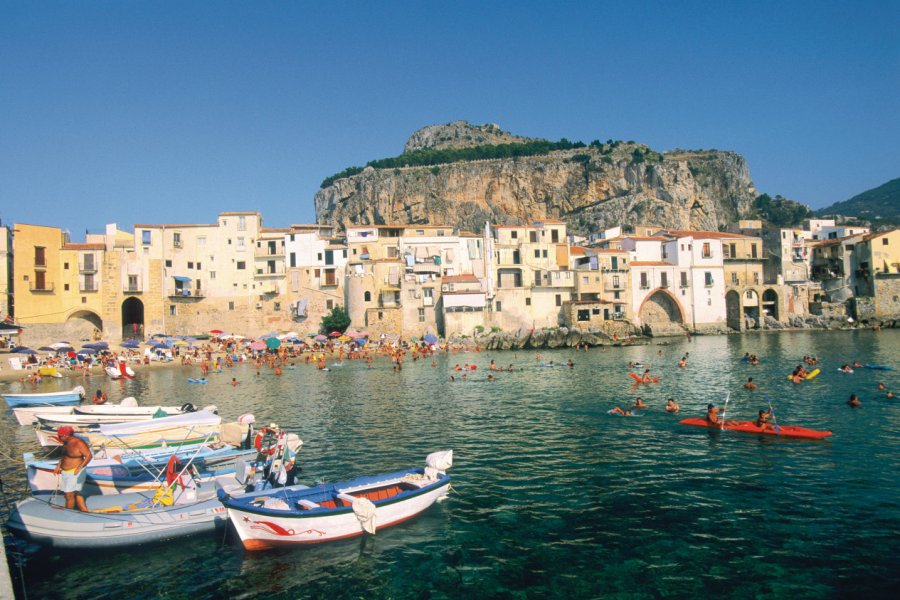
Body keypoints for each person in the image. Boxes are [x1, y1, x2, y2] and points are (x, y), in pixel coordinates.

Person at [53, 426, 93, 512]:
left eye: (60, 436)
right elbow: (65, 456)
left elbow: (89, 456)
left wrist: (79, 467)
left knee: (69, 495)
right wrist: (58, 466)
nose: (59, 438)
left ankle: (68, 514)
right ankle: (84, 510)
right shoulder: (66, 442)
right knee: (76, 493)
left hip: (75, 472)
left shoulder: (78, 443)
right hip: (66, 472)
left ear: (66, 435)